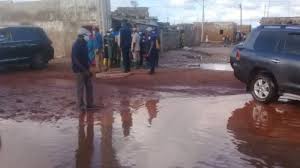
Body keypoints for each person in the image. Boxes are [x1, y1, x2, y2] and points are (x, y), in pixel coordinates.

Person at [71, 28, 96, 112]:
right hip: (79, 70)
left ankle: (90, 104)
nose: (89, 38)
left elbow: (86, 56)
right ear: (82, 36)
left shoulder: (84, 44)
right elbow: (75, 59)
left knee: (89, 87)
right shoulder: (76, 45)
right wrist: (84, 70)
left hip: (86, 69)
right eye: (87, 36)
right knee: (80, 88)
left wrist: (90, 63)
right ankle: (81, 106)